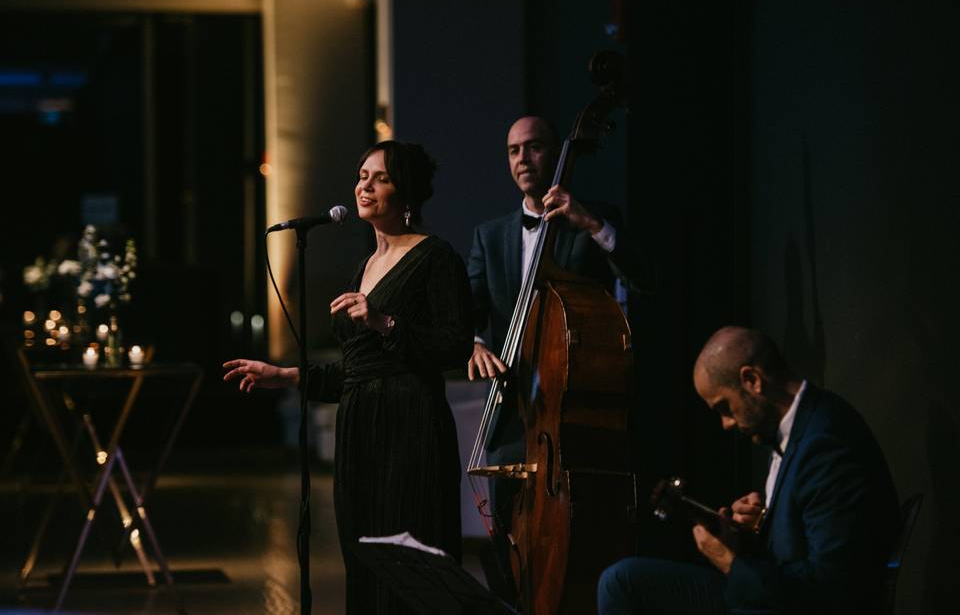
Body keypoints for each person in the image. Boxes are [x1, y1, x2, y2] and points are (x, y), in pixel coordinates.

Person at [223, 141, 474, 614]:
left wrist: (385, 323)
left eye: (379, 177)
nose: (364, 185)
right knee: (366, 561)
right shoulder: (366, 266)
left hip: (410, 428)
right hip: (360, 431)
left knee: (412, 561)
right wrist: (288, 375)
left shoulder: (436, 257)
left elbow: (455, 346)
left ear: (408, 193)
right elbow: (358, 371)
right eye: (362, 176)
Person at [597, 326, 900, 615]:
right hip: (774, 594)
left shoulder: (827, 445)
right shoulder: (797, 429)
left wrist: (729, 561)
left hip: (791, 605)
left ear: (752, 380)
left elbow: (829, 592)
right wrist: (753, 534)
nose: (726, 424)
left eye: (725, 408)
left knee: (620, 585)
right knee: (623, 582)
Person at [467, 115, 645, 595]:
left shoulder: (592, 217)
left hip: (573, 415)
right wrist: (475, 343)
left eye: (534, 148)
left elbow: (643, 277)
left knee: (574, 541)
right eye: (513, 151)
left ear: (555, 153)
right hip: (512, 413)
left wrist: (589, 223)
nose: (523, 159)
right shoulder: (490, 235)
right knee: (509, 540)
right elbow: (466, 311)